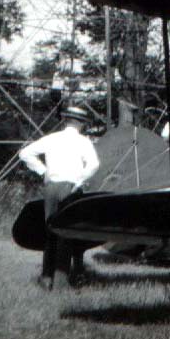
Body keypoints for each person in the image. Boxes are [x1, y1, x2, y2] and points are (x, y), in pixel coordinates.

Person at [19, 106, 100, 290]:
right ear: (81, 123)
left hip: (51, 187)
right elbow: (94, 165)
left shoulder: (51, 138)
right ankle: (61, 282)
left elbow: (24, 153)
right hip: (69, 188)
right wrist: (78, 181)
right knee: (66, 232)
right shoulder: (83, 141)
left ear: (66, 121)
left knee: (51, 232)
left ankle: (46, 277)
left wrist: (43, 171)